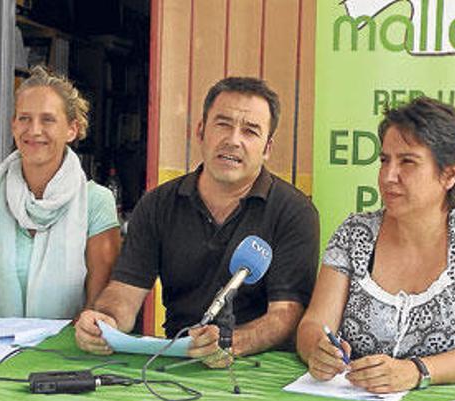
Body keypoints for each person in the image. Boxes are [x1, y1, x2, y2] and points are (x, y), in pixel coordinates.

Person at [74, 77, 319, 366]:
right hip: (175, 360)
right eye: (223, 124)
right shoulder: (157, 204)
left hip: (259, 370)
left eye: (250, 131)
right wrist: (105, 321)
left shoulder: (295, 212)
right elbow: (125, 292)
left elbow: (286, 314)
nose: (233, 140)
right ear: (201, 131)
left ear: (267, 148)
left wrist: (228, 343)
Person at [297, 97, 455, 393]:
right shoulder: (355, 232)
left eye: (408, 162)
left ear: (450, 174)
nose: (389, 176)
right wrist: (319, 351)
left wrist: (416, 372)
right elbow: (313, 324)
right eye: (384, 160)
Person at [0, 66, 120, 324]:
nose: (34, 130)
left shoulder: (95, 203)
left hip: (65, 355)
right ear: (13, 125)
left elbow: (95, 306)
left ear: (72, 130)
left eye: (48, 119)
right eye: (24, 118)